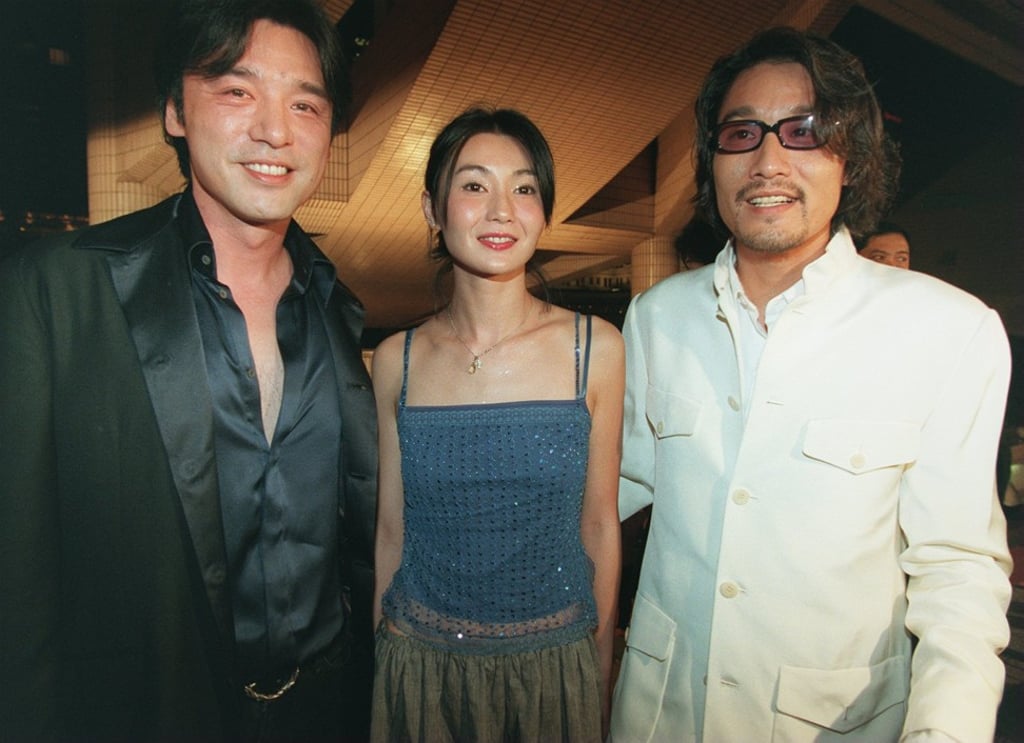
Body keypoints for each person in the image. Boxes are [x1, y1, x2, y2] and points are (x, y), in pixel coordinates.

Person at [610, 27, 1012, 743]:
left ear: (850, 159)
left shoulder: (948, 329)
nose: (768, 160)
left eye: (802, 131)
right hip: (659, 717)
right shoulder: (657, 316)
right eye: (742, 133)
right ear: (713, 160)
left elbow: (957, 577)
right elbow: (605, 490)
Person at [0, 1, 377, 740]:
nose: (275, 130)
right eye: (238, 92)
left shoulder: (338, 309)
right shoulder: (57, 290)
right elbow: (18, 583)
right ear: (175, 108)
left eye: (306, 103)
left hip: (325, 708)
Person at [370, 107, 624, 742]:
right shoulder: (397, 360)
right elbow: (391, 529)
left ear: (544, 211)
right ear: (434, 208)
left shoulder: (594, 349)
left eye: (525, 188)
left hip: (552, 671)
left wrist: (600, 666)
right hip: (422, 668)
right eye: (475, 185)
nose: (502, 210)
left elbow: (599, 522)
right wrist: (384, 661)